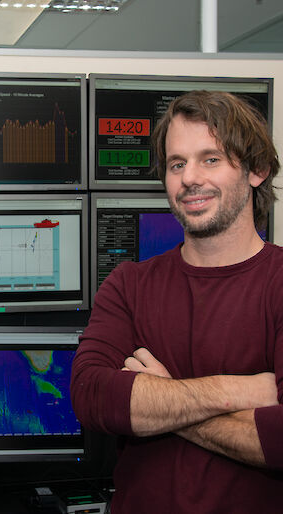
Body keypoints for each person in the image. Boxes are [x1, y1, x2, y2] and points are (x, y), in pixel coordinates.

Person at [70, 90, 282, 513]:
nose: (189, 179)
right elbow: (91, 396)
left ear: (257, 170)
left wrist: (162, 400)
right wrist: (231, 391)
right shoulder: (129, 285)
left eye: (211, 159)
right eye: (176, 164)